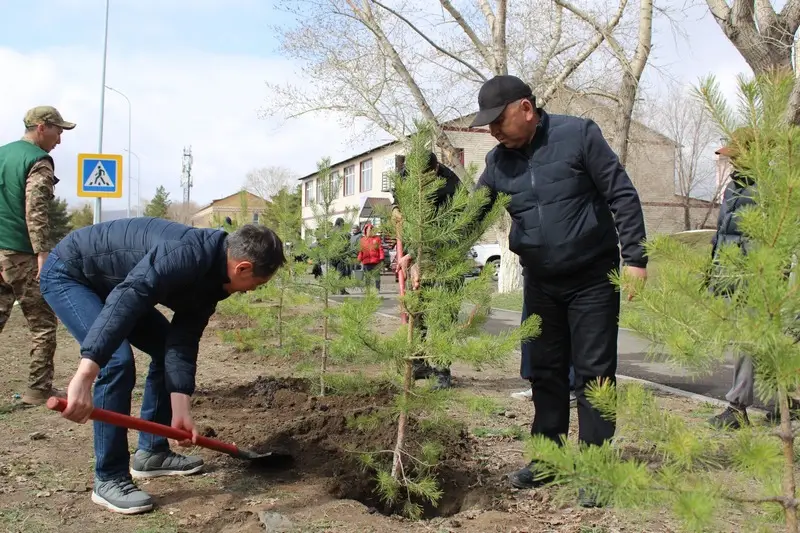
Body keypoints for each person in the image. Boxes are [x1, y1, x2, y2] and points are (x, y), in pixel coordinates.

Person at [467, 75, 648, 503]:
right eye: (488, 124)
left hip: (592, 279)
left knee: (593, 374)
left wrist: (636, 258)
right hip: (541, 282)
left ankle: (595, 470)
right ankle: (548, 460)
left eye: (499, 120)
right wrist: (427, 250)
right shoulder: (498, 162)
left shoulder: (578, 135)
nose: (493, 130)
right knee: (545, 372)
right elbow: (470, 216)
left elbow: (621, 193)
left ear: (526, 109)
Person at [39, 218, 286, 515]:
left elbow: (182, 342)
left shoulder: (213, 280)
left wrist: (181, 411)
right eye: (256, 284)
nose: (252, 291)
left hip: (117, 283)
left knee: (163, 348)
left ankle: (152, 452)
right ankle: (109, 478)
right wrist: (85, 374)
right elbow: (128, 298)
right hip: (72, 273)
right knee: (116, 362)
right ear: (242, 268)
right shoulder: (185, 255)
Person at [705, 129, 800, 429]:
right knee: (763, 342)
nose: (730, 162)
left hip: (759, 280)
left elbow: (781, 237)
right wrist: (715, 271)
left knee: (750, 341)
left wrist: (775, 276)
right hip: (736, 277)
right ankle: (787, 402)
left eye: (735, 156)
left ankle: (737, 408)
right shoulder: (734, 187)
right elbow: (724, 233)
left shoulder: (769, 188)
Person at [0, 106, 76, 406]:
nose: (59, 139)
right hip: (21, 254)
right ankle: (38, 389)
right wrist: (42, 254)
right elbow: (37, 211)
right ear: (42, 127)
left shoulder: (3, 154)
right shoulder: (38, 161)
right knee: (43, 323)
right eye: (58, 131)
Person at [394, 151, 463, 389]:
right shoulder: (406, 175)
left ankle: (443, 370)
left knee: (443, 315)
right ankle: (419, 363)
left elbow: (451, 232)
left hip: (447, 257)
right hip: (418, 251)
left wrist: (413, 257)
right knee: (417, 311)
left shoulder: (451, 187)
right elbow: (399, 195)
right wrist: (396, 208)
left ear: (434, 171)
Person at [357, 223, 384, 292]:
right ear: (366, 231)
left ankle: (377, 289)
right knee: (367, 277)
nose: (371, 231)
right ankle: (367, 289)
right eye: (369, 230)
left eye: (372, 229)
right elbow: (361, 251)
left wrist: (382, 258)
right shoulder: (362, 240)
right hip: (366, 262)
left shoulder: (377, 239)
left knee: (377, 276)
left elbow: (380, 249)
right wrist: (358, 259)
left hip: (376, 261)